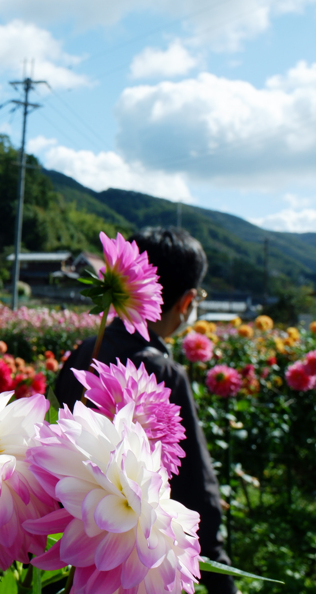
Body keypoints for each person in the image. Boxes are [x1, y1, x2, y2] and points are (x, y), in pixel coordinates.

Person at [54, 227, 236, 594]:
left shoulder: (85, 350)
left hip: (65, 532)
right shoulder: (166, 373)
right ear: (186, 302)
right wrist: (224, 583)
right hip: (128, 551)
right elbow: (198, 491)